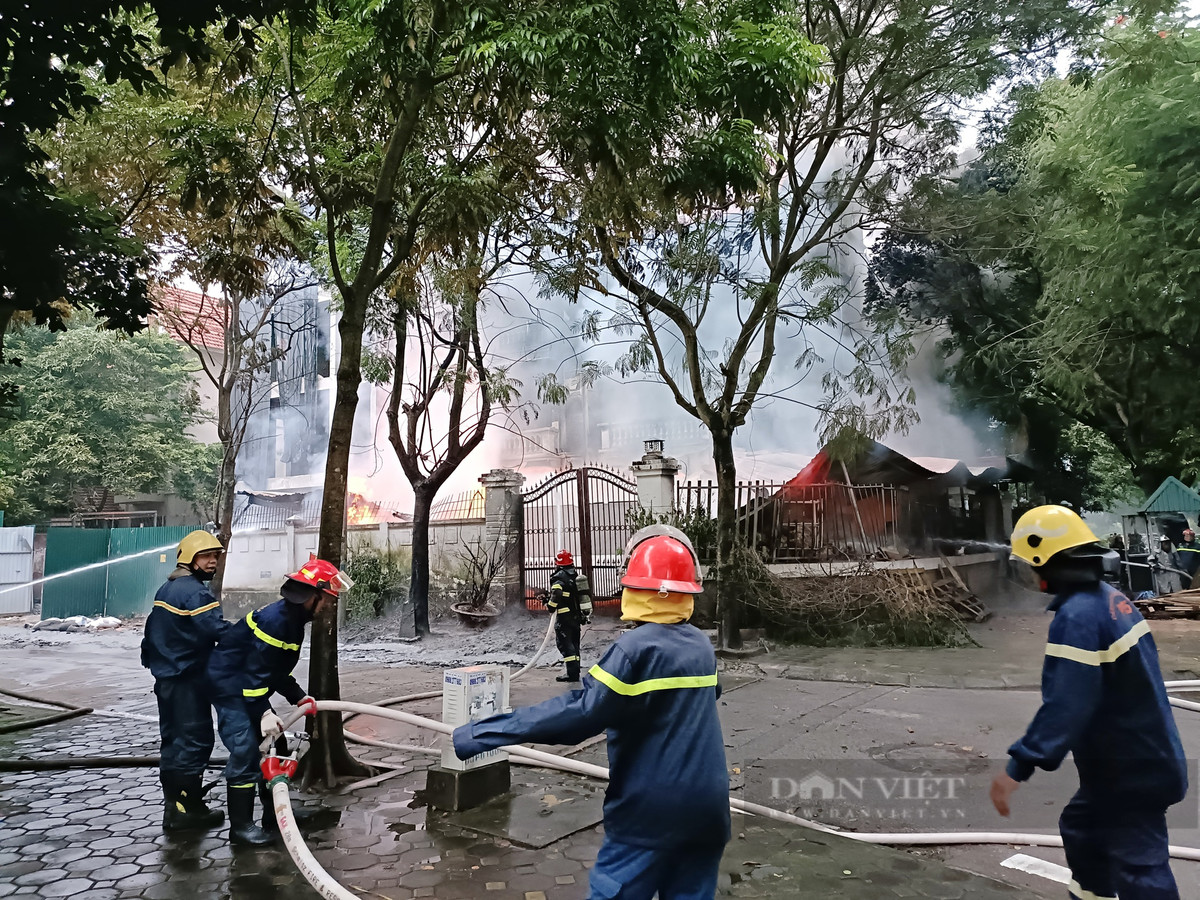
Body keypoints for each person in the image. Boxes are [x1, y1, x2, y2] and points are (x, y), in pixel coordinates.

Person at [455, 525, 729, 900]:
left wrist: (480, 733)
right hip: (709, 811)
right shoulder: (701, 647)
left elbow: (579, 714)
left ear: (634, 588)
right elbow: (705, 697)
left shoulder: (634, 650)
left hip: (649, 814)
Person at [992, 505, 1187, 900]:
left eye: (1031, 565)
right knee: (1082, 826)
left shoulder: (1077, 618)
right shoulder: (1110, 599)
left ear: (1049, 565)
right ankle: (1091, 894)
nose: (1028, 575)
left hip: (1130, 769)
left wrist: (1018, 766)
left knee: (1140, 865)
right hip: (1140, 758)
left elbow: (1066, 705)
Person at [207, 557, 350, 845]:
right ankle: (241, 829)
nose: (328, 606)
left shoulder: (291, 620)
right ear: (312, 596)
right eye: (327, 600)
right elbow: (254, 674)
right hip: (232, 690)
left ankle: (275, 815)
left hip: (248, 688)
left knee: (277, 747)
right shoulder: (277, 622)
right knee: (247, 753)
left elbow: (274, 669)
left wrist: (298, 697)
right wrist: (262, 713)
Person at [140, 529, 229, 833]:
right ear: (190, 559)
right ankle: (189, 810)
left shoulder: (167, 589)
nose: (213, 561)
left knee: (173, 741)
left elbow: (151, 633)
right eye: (206, 556)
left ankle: (174, 809)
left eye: (216, 556)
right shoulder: (194, 592)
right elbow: (215, 630)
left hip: (166, 678)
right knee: (195, 741)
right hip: (187, 679)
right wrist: (251, 632)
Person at [546, 549, 593, 683]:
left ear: (558, 562)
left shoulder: (559, 576)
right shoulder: (575, 575)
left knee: (566, 645)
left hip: (564, 618)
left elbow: (557, 593)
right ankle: (575, 673)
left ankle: (571, 675)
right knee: (574, 644)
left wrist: (550, 606)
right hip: (575, 617)